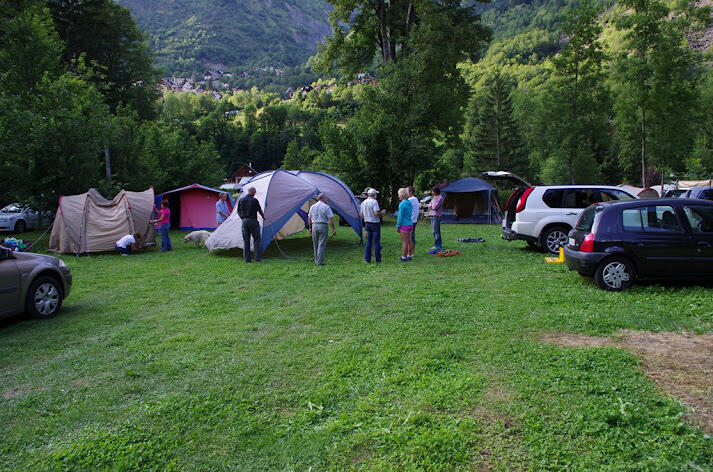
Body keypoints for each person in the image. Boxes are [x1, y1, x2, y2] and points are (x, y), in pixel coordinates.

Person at [237, 187, 265, 263]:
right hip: (253, 221)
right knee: (257, 239)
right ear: (253, 192)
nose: (255, 194)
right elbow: (259, 210)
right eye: (255, 192)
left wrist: (242, 218)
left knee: (246, 240)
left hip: (244, 221)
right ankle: (257, 257)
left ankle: (247, 259)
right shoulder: (254, 200)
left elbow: (238, 211)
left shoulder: (241, 200)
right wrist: (263, 217)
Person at [308, 193, 336, 265]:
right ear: (323, 198)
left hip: (314, 225)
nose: (327, 199)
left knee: (315, 244)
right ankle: (320, 261)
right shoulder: (326, 207)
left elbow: (309, 218)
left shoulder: (312, 206)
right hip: (323, 225)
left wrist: (310, 228)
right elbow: (330, 219)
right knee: (322, 244)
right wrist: (333, 228)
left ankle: (316, 260)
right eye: (326, 198)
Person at [360, 188, 382, 263]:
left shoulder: (363, 202)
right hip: (375, 223)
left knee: (368, 242)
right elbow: (376, 213)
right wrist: (381, 213)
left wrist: (366, 218)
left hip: (367, 223)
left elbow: (361, 214)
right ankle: (378, 260)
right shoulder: (374, 202)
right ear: (374, 194)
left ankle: (367, 259)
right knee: (376, 242)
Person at [396, 187, 414, 262]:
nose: (398, 196)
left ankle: (404, 257)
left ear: (402, 195)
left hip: (404, 225)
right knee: (410, 241)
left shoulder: (402, 204)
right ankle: (409, 255)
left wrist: (398, 226)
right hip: (410, 224)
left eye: (399, 195)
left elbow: (400, 217)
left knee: (404, 242)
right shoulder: (409, 203)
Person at [428, 186, 444, 251]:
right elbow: (429, 204)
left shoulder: (440, 198)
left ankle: (438, 245)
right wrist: (431, 205)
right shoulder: (434, 197)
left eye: (432, 191)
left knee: (436, 231)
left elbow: (435, 207)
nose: (432, 192)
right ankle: (436, 244)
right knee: (434, 231)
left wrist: (431, 205)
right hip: (432, 215)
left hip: (436, 216)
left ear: (435, 191)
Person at [407, 186, 419, 259]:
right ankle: (412, 252)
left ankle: (410, 253)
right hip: (414, 220)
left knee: (409, 238)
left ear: (411, 192)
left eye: (407, 191)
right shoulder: (415, 199)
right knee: (412, 237)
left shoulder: (410, 199)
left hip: (410, 220)